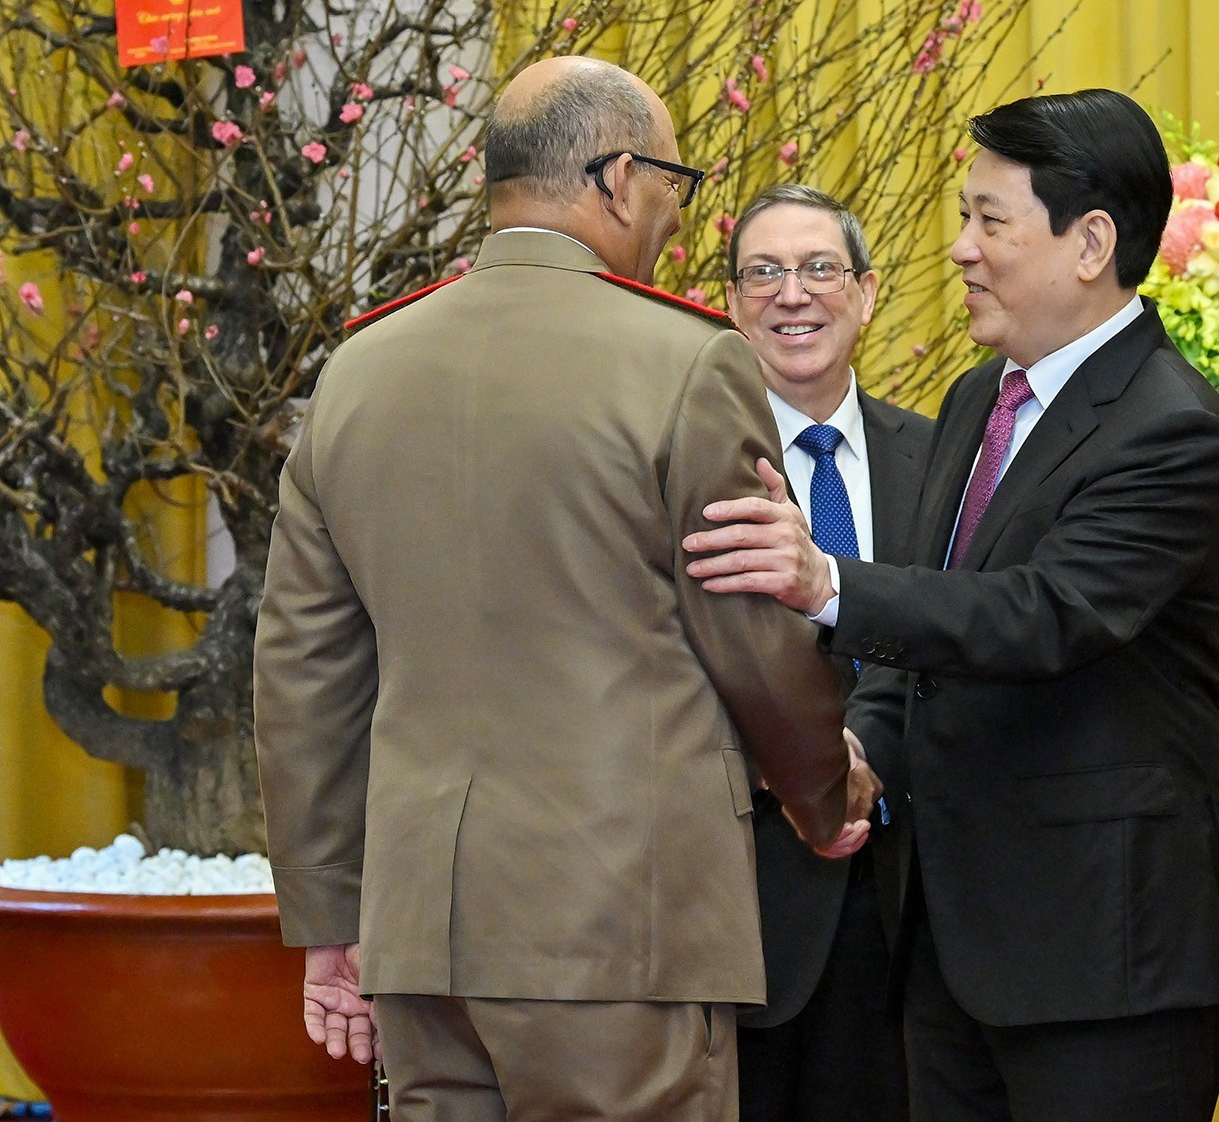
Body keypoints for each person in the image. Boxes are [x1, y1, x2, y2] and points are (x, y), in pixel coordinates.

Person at [254, 56, 856, 1122]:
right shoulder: (687, 362)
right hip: (623, 922)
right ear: (620, 177)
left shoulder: (357, 371)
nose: (676, 216)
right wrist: (825, 787)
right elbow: (749, 629)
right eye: (674, 183)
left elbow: (304, 672)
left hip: (423, 931)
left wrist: (330, 917)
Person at [686, 89, 1219, 1122]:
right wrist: (857, 758)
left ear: (1090, 244)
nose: (958, 250)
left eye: (988, 220)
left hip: (1102, 966)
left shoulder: (1170, 428)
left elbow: (1042, 616)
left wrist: (826, 583)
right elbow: (927, 639)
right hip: (950, 957)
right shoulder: (977, 401)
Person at [725, 184, 930, 1122]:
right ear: (730, 304)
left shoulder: (945, 459)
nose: (791, 294)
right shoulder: (690, 463)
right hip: (751, 894)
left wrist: (866, 760)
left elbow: (962, 631)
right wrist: (805, 772)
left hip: (921, 903)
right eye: (763, 272)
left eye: (819, 269)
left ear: (868, 292)